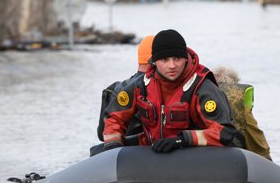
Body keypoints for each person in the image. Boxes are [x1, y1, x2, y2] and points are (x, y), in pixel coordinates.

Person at [101, 29, 238, 153]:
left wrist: (181, 140)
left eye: (177, 59)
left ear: (185, 58)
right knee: (98, 151)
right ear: (154, 61)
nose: (171, 66)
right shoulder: (141, 85)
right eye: (165, 60)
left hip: (192, 152)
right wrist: (113, 147)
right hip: (153, 148)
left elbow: (224, 132)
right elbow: (115, 118)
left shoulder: (202, 87)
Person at [213, 66, 272, 161]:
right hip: (232, 157)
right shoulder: (239, 104)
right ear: (236, 85)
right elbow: (255, 139)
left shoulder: (199, 98)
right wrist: (267, 161)